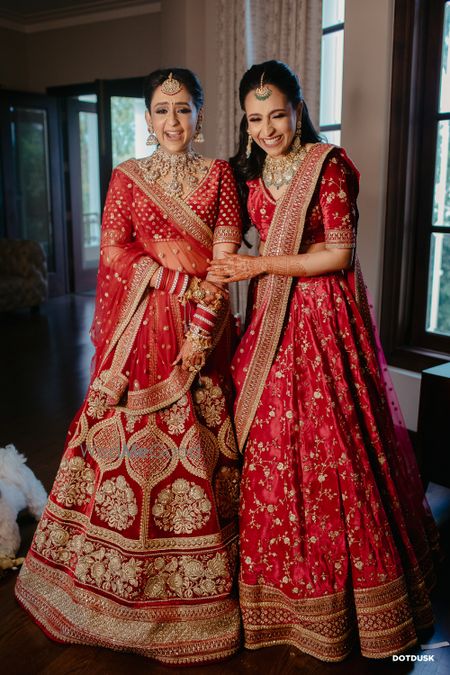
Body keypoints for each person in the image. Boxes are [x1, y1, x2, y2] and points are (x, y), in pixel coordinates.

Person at [208, 60, 439, 662]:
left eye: (277, 114)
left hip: (324, 319)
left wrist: (258, 266)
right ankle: (280, 592)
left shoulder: (328, 166)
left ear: (299, 109)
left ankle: (350, 599)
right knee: (272, 440)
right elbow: (229, 244)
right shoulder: (248, 175)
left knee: (333, 441)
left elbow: (337, 255)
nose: (267, 128)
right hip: (272, 317)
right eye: (255, 118)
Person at [15, 68, 243, 666]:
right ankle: (104, 583)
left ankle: (196, 585)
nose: (173, 121)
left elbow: (225, 256)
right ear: (146, 119)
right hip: (138, 331)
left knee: (204, 433)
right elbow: (115, 254)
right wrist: (169, 275)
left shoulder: (219, 173)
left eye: (184, 109)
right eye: (162, 110)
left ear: (201, 116)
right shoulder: (127, 177)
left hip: (200, 327)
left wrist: (201, 324)